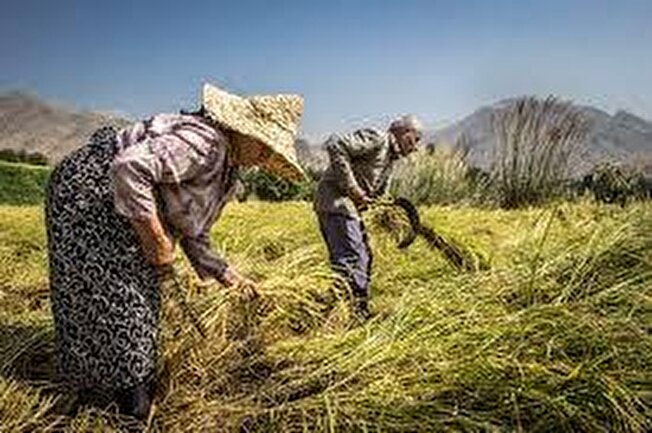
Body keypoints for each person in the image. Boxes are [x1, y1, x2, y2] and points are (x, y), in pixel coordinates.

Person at [45, 83, 305, 420]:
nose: (265, 159)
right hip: (89, 191)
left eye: (272, 154)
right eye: (265, 148)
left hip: (116, 197)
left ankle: (116, 391)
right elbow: (129, 167)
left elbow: (192, 229)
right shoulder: (206, 144)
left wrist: (226, 274)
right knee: (119, 295)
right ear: (245, 132)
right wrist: (153, 237)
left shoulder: (227, 168)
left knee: (134, 296)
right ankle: (125, 404)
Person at [313, 115, 423, 323]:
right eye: (415, 139)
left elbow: (376, 196)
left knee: (365, 256)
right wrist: (353, 190)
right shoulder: (377, 139)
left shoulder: (390, 158)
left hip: (351, 210)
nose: (416, 146)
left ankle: (353, 309)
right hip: (337, 204)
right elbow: (336, 145)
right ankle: (348, 315)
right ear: (403, 132)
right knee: (354, 258)